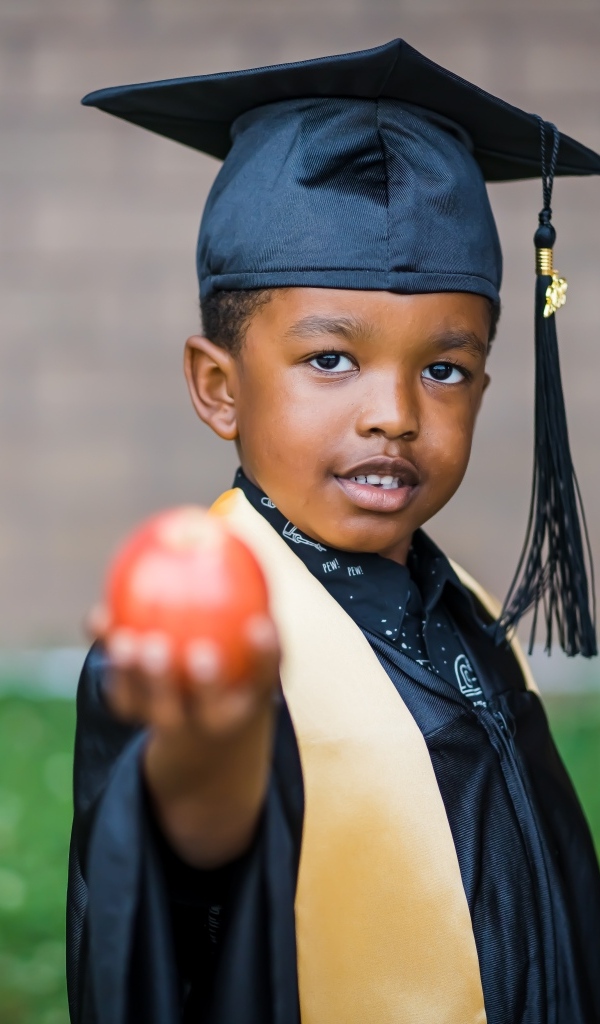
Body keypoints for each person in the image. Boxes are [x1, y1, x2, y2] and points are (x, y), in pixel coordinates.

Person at [68, 39, 600, 1024]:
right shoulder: (208, 650)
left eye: (443, 369)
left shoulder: (461, 610)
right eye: (330, 360)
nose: (394, 414)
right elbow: (170, 924)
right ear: (219, 386)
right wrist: (202, 775)